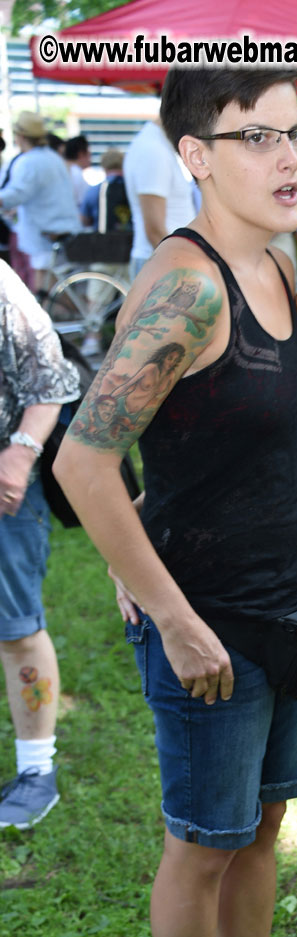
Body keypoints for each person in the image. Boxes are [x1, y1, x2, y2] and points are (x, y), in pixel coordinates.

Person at [54, 67, 297, 937]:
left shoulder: (275, 264)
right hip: (208, 625)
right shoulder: (188, 283)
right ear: (195, 155)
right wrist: (170, 613)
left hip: (288, 610)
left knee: (263, 830)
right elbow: (85, 463)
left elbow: (258, 426)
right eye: (257, 134)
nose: (287, 155)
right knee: (205, 839)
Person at [0, 260, 80, 830]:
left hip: (4, 491)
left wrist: (21, 452)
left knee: (15, 629)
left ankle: (36, 772)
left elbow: (52, 380)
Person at [0, 112, 79, 299]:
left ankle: (61, 318)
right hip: (59, 223)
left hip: (44, 227)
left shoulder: (29, 161)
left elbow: (17, 194)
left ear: (20, 136)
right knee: (45, 279)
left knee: (42, 280)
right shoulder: (51, 157)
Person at [123, 117, 195, 279]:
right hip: (164, 265)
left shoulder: (156, 145)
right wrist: (185, 269)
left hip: (167, 262)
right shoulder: (152, 150)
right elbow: (154, 230)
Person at [80, 148, 131, 234]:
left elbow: (84, 220)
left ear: (103, 166)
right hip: (130, 241)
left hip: (103, 241)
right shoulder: (131, 189)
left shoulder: (94, 190)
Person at [63, 135, 91, 210]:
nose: (90, 158)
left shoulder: (62, 171)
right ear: (81, 153)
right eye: (89, 153)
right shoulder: (76, 174)